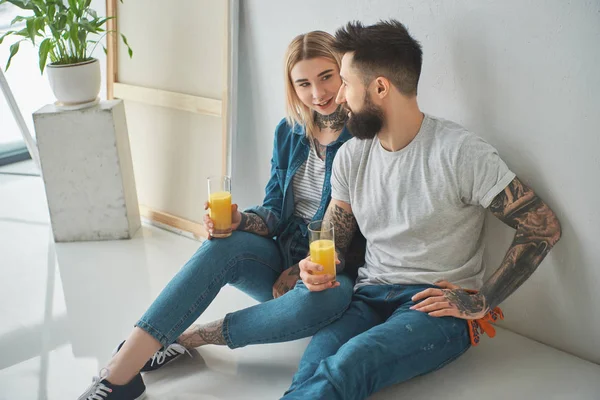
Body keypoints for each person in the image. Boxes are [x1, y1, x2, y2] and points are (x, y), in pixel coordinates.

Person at [282, 20, 562, 400]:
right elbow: (333, 240)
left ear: (380, 87)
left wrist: (483, 299)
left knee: (349, 365)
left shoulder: (460, 152)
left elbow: (541, 226)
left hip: (435, 308)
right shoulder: (351, 155)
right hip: (368, 297)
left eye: (346, 82)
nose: (340, 96)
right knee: (312, 367)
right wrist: (315, 267)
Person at [78, 30, 365, 400]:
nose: (318, 93)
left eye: (326, 76)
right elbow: (274, 211)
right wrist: (238, 221)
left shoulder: (362, 139)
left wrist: (304, 268)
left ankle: (186, 337)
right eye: (304, 83)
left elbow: (353, 233)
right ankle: (118, 375)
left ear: (343, 72)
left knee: (331, 298)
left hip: (332, 270)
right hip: (281, 260)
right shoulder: (289, 132)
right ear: (292, 88)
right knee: (221, 244)